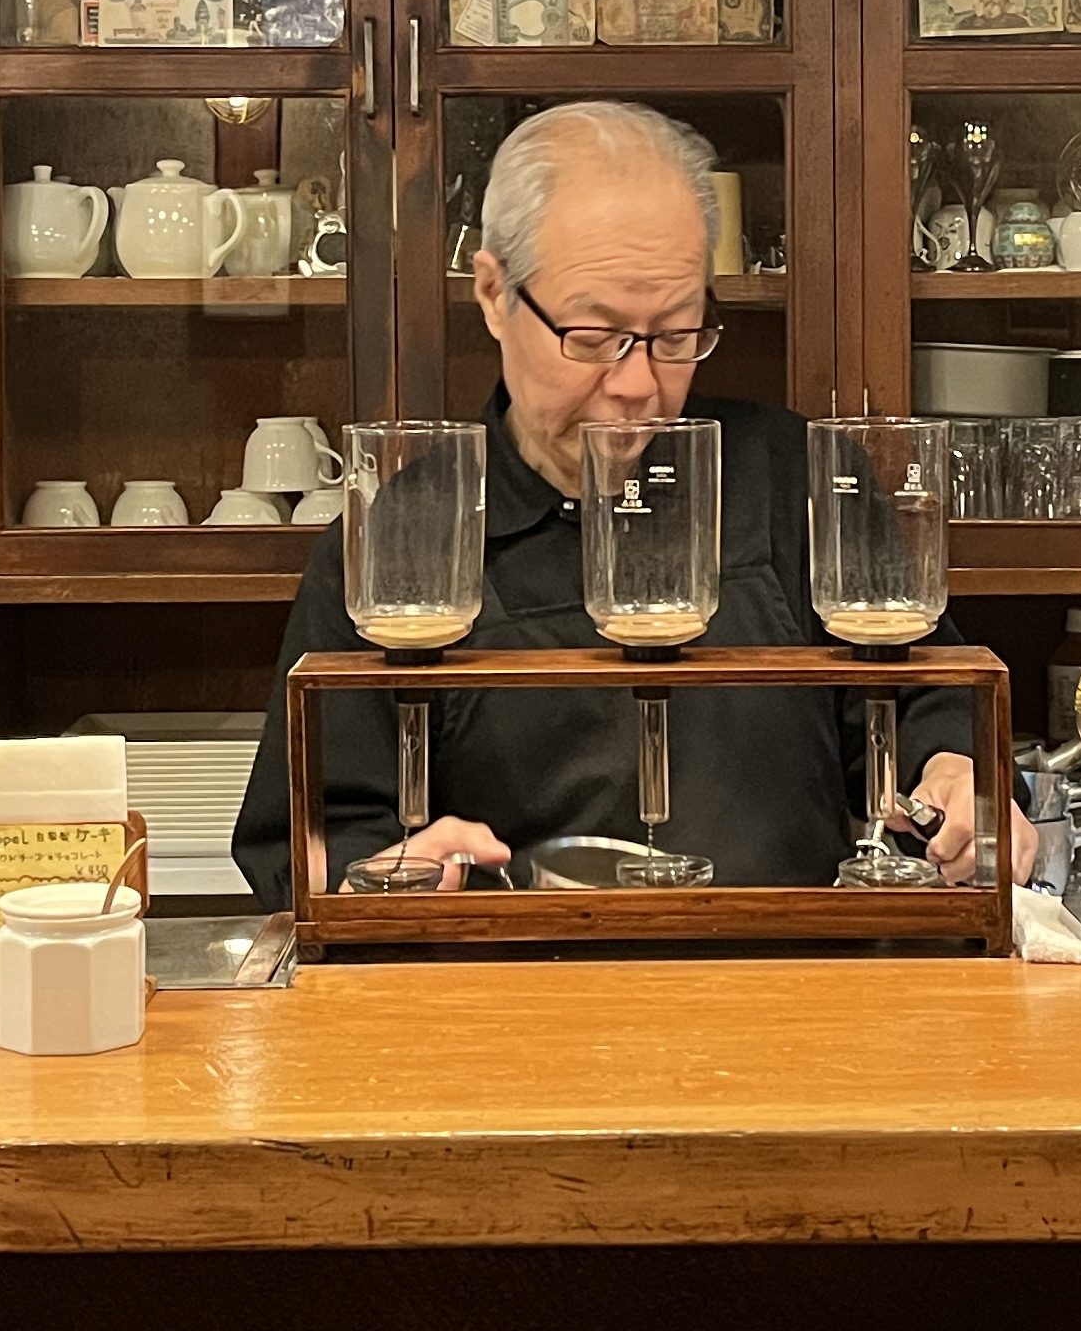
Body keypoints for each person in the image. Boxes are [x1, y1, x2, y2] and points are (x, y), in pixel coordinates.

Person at [233, 102, 1029, 901]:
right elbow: (301, 847)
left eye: (676, 335)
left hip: (786, 969)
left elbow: (923, 697)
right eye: (593, 337)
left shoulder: (789, 474)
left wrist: (958, 771)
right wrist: (382, 881)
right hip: (510, 975)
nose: (639, 385)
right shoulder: (398, 534)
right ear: (494, 293)